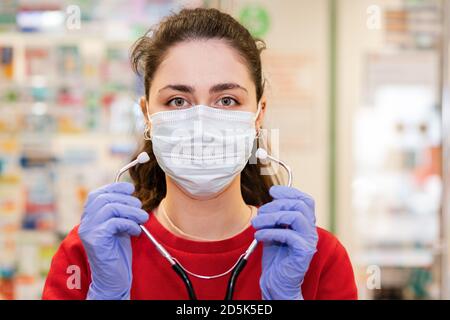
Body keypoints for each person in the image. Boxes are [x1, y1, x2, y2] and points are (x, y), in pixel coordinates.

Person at [42, 8, 357, 300]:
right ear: (147, 114)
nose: (202, 124)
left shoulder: (316, 257)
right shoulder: (89, 253)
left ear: (259, 114)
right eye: (178, 101)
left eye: (227, 100)